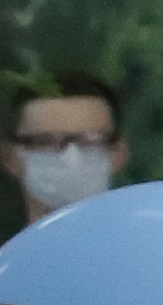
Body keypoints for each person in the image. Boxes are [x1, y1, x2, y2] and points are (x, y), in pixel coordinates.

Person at [7, 75, 128, 228]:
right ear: (9, 157)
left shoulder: (148, 251)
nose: (70, 157)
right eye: (47, 141)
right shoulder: (2, 254)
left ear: (119, 154)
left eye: (90, 141)